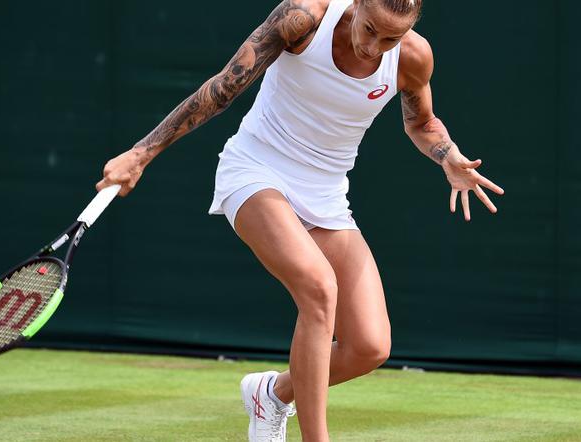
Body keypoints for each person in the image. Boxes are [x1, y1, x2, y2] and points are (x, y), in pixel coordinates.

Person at [95, 0, 504, 440]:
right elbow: (223, 88)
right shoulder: (304, 17)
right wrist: (142, 153)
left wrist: (448, 156)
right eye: (370, 30)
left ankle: (271, 393)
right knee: (319, 288)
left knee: (370, 347)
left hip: (326, 196)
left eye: (391, 38)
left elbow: (421, 123)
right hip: (256, 171)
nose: (375, 47)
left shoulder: (413, 57)